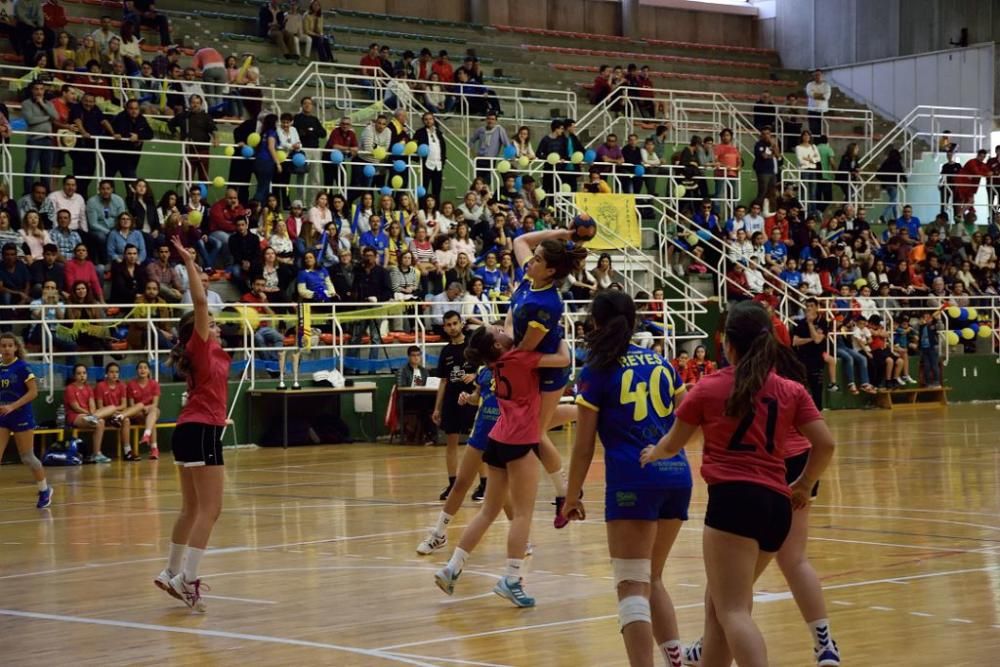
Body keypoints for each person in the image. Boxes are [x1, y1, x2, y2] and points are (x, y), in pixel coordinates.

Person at [640, 300, 836, 667]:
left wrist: (655, 453)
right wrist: (804, 483)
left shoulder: (710, 387)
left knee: (732, 611)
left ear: (727, 343)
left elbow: (675, 441)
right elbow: (825, 444)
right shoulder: (790, 389)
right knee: (720, 606)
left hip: (733, 503)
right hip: (777, 506)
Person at [562, 292, 690, 667]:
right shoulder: (662, 362)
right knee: (653, 577)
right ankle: (676, 661)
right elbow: (689, 417)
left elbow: (583, 446)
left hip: (632, 480)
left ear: (596, 323)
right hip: (677, 477)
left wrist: (570, 497)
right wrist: (666, 451)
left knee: (631, 583)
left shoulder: (597, 369)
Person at [435, 324, 571, 608]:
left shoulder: (493, 364)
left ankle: (452, 568)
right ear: (496, 345)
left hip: (498, 436)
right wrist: (558, 334)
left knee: (488, 511)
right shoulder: (520, 358)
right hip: (519, 440)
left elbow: (511, 329)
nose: (501, 328)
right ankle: (511, 579)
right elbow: (563, 359)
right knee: (522, 515)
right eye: (496, 330)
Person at [154, 236, 231, 613]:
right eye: (211, 324)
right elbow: (200, 301)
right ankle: (188, 581)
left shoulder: (212, 353)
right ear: (196, 332)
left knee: (190, 508)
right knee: (210, 510)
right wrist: (189, 263)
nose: (215, 326)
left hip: (191, 430)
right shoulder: (199, 345)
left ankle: (171, 571)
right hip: (201, 432)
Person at [507, 226, 589, 524]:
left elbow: (526, 352)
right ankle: (588, 410)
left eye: (538, 259)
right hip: (529, 360)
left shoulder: (547, 303)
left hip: (549, 366)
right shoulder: (531, 278)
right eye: (535, 257)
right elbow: (520, 240)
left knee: (536, 433)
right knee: (541, 420)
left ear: (551, 270)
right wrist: (565, 233)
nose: (531, 261)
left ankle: (566, 496)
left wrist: (501, 355)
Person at [0, 332, 52, 508]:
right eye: (3, 345)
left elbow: (33, 392)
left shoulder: (22, 367)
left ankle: (44, 490)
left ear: (15, 348)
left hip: (21, 415)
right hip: (2, 417)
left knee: (28, 457)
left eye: (9, 345)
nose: (6, 349)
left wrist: (12, 406)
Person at [431, 310, 477, 500]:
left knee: (477, 443)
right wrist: (437, 408)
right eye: (448, 324)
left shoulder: (473, 346)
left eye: (455, 323)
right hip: (451, 401)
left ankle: (484, 484)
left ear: (461, 324)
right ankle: (453, 484)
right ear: (445, 327)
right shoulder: (446, 351)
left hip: (473, 398)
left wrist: (474, 376)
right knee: (451, 443)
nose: (452, 327)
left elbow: (487, 367)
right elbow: (443, 381)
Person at [63, 363, 113, 464]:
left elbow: (92, 405)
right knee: (100, 421)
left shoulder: (89, 388)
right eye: (79, 373)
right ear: (74, 376)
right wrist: (89, 415)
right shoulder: (70, 388)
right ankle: (96, 453)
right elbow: (75, 407)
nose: (82, 375)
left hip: (90, 416)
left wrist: (92, 414)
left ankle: (96, 454)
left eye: (84, 373)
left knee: (105, 416)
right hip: (75, 416)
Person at [96, 361, 145, 461]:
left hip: (119, 415)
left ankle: (127, 452)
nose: (114, 374)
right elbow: (100, 407)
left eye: (117, 372)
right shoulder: (100, 386)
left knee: (129, 416)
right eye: (111, 372)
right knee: (124, 417)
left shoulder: (122, 385)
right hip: (106, 416)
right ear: (106, 373)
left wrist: (117, 412)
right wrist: (112, 411)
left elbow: (124, 405)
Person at [128, 359, 161, 459]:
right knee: (152, 420)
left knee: (154, 412)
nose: (142, 370)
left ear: (149, 371)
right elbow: (131, 405)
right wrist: (143, 408)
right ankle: (154, 448)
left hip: (150, 411)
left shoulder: (154, 384)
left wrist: (147, 408)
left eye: (145, 368)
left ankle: (147, 435)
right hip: (137, 413)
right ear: (137, 370)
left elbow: (155, 404)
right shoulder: (131, 384)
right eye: (140, 368)